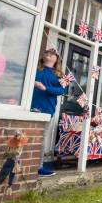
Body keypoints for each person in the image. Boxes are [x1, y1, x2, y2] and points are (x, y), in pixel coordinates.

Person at [31, 48, 66, 177]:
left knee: (41, 138)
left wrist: (45, 88)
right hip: (30, 106)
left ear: (57, 59)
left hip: (47, 109)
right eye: (46, 53)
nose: (48, 55)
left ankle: (39, 167)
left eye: (52, 54)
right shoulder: (35, 68)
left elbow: (62, 91)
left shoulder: (60, 75)